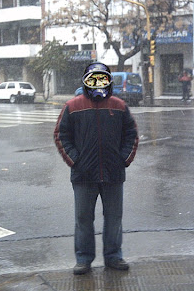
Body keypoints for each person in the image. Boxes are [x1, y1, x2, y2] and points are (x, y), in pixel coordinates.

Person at [54, 62, 138, 275]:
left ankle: (113, 256)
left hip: (114, 174)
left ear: (108, 81)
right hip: (84, 175)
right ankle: (83, 259)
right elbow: (61, 135)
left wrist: (123, 159)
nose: (98, 84)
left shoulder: (119, 106)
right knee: (83, 219)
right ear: (86, 81)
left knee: (114, 218)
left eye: (102, 79)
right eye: (93, 80)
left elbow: (132, 135)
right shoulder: (72, 106)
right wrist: (75, 160)